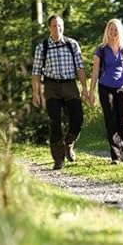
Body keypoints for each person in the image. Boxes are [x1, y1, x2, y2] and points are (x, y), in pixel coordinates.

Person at [32, 14, 88, 170]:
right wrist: (36, 93)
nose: (58, 28)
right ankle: (58, 159)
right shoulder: (42, 47)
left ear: (63, 27)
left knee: (77, 119)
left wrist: (84, 88)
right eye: (55, 25)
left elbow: (80, 67)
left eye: (60, 25)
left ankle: (69, 144)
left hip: (70, 85)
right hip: (52, 87)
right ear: (49, 27)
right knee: (54, 121)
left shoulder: (72, 44)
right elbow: (36, 72)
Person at [89, 18, 123, 164]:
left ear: (120, 31)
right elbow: (95, 70)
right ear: (107, 31)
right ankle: (115, 155)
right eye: (111, 29)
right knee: (111, 120)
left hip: (122, 87)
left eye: (116, 29)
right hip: (105, 87)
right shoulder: (101, 49)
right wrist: (91, 91)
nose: (113, 32)